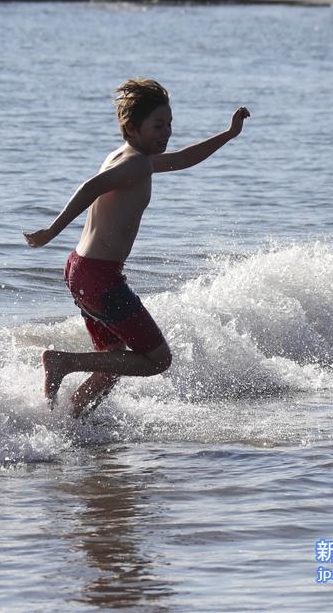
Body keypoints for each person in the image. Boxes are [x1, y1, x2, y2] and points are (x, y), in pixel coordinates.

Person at [24, 79, 250, 418]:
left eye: (170, 125)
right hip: (100, 277)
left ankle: (71, 419)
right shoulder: (137, 164)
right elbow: (90, 188)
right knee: (157, 360)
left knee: (114, 360)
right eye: (158, 126)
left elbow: (186, 158)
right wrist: (51, 232)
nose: (167, 132)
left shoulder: (130, 157)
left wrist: (228, 134)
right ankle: (63, 362)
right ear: (132, 127)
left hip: (80, 269)